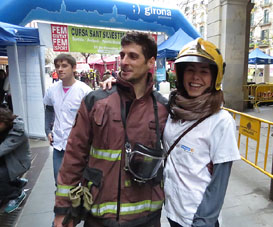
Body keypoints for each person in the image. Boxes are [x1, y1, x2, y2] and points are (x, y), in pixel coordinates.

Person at [53, 31, 168, 227]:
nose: (124, 61)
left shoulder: (163, 108)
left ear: (150, 62)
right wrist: (63, 210)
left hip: (147, 217)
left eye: (133, 56)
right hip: (99, 215)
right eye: (122, 55)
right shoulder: (96, 100)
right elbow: (74, 155)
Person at [163, 38, 240, 227]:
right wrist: (116, 84)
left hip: (197, 218)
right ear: (180, 74)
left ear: (215, 77)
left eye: (204, 71)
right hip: (172, 210)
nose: (195, 77)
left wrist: (203, 221)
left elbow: (219, 182)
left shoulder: (221, 121)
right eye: (190, 70)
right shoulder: (172, 109)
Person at [43, 54, 92, 184]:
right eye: (57, 66)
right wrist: (47, 129)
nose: (60, 69)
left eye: (64, 66)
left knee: (79, 182)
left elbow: (93, 118)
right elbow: (48, 109)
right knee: (58, 181)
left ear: (74, 68)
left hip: (79, 145)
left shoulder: (85, 91)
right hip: (59, 144)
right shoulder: (52, 90)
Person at [0, 108, 31, 213]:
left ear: (4, 122)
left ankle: (16, 194)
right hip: (7, 161)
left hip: (18, 164)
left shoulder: (18, 133)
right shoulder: (4, 128)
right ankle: (16, 182)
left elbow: (3, 149)